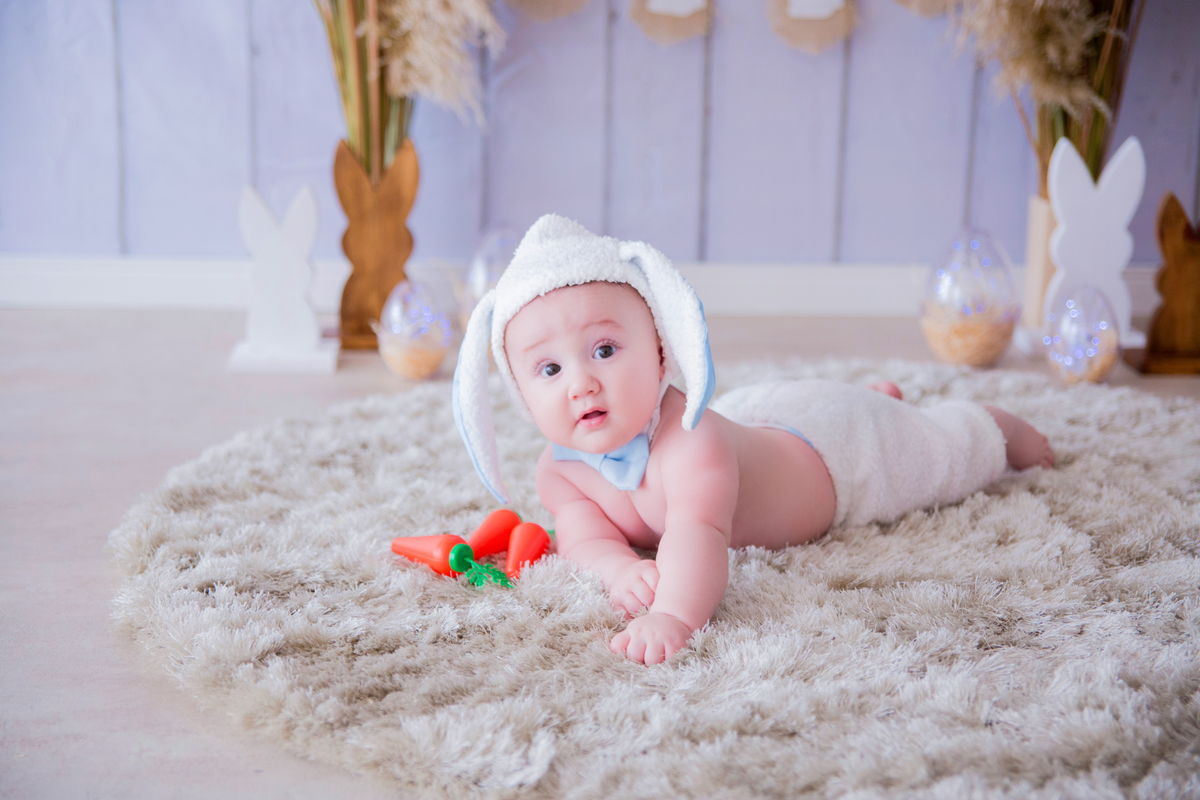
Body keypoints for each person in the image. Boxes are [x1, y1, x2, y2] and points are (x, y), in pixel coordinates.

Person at [453, 215, 1053, 665]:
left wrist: (672, 616)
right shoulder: (559, 470)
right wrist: (614, 568)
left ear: (663, 350)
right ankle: (877, 394)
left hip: (825, 455)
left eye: (605, 350)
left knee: (927, 454)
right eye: (549, 370)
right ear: (518, 393)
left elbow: (699, 534)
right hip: (755, 417)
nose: (581, 383)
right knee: (765, 411)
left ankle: (990, 424)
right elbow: (581, 534)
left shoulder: (693, 446)